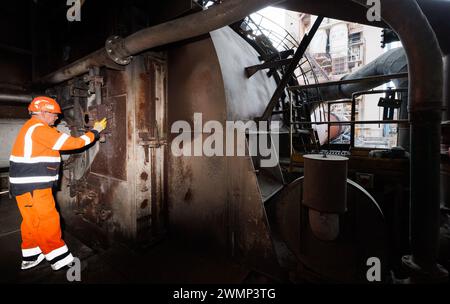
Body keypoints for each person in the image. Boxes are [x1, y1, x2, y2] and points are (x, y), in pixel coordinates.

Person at [9, 96, 107, 271]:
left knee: (32, 221)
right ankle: (60, 259)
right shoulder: (40, 129)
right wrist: (95, 132)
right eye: (54, 114)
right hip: (34, 186)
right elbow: (73, 143)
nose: (57, 118)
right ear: (44, 112)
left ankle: (31, 256)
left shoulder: (30, 128)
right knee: (48, 220)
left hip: (24, 185)